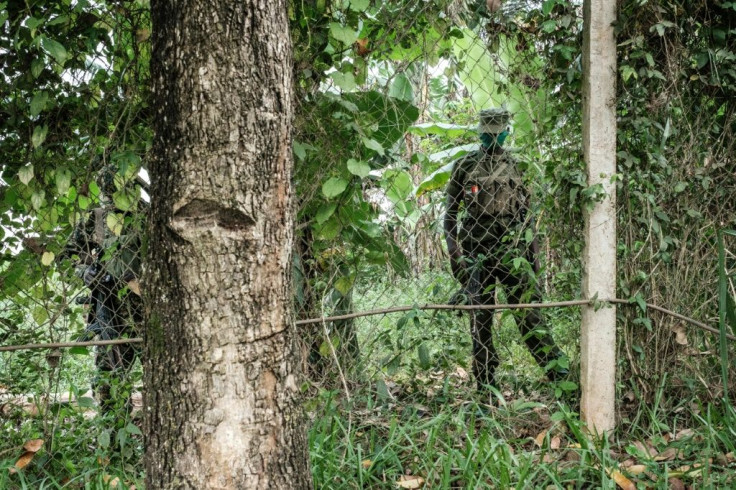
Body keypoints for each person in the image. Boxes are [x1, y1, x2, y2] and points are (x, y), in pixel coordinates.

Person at [444, 108, 568, 392]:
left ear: (506, 132)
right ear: (480, 134)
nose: (492, 138)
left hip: (514, 253)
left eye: (497, 133)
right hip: (476, 254)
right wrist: (455, 255)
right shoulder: (464, 166)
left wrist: (533, 260)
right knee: (481, 324)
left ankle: (561, 380)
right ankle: (485, 387)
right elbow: (450, 214)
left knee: (530, 318)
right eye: (488, 134)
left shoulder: (519, 166)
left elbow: (528, 216)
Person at [63, 164, 142, 414]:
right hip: (109, 310)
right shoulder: (96, 217)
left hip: (145, 309)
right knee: (109, 381)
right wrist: (86, 272)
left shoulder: (145, 214)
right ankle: (114, 447)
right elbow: (69, 256)